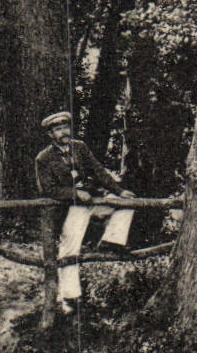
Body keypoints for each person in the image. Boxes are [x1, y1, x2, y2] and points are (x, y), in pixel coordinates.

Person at [33, 110, 137, 308]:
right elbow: (48, 189)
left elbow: (99, 171)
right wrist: (74, 193)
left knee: (126, 204)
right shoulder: (43, 158)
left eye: (65, 127)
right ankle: (69, 297)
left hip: (91, 200)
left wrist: (119, 190)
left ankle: (112, 240)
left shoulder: (79, 147)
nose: (63, 132)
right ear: (50, 134)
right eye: (58, 129)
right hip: (68, 208)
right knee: (69, 248)